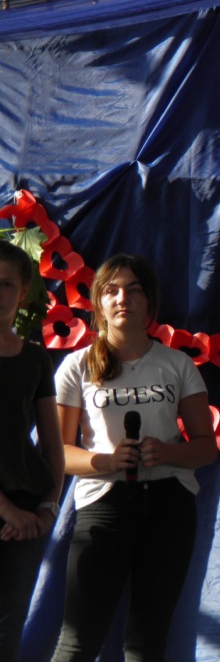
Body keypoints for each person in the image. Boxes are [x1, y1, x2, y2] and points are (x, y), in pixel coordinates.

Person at [50, 253, 218, 662]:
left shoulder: (177, 364)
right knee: (78, 641)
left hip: (168, 506)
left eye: (134, 290)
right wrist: (107, 461)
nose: (122, 298)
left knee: (147, 643)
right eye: (112, 291)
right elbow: (57, 453)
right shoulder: (77, 366)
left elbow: (206, 447)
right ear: (98, 302)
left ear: (150, 302)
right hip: (104, 505)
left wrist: (168, 452)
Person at [0, 240, 64, 662]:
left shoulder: (36, 359)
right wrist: (7, 511)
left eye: (6, 284)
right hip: (12, 513)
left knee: (7, 635)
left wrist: (47, 509)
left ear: (23, 292)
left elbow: (53, 443)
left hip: (25, 513)